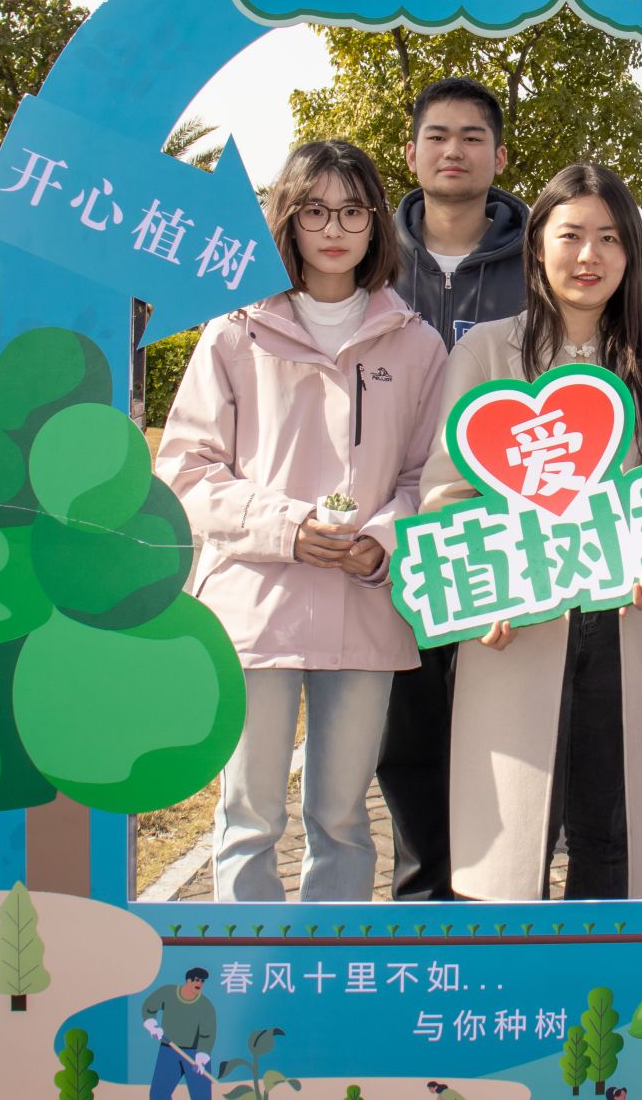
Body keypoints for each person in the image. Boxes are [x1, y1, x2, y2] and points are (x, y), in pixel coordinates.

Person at [156, 139, 447, 903]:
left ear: (376, 222)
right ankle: (249, 966)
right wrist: (286, 527)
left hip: (365, 608)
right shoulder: (236, 332)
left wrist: (381, 542)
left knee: (344, 818)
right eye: (315, 210)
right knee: (248, 815)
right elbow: (186, 469)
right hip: (256, 607)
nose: (334, 228)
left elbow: (431, 477)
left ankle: (330, 967)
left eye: (353, 211)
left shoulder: (417, 343)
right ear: (286, 219)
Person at [420, 163, 642, 901]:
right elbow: (447, 493)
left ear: (631, 252)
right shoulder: (486, 352)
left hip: (626, 622)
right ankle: (513, 975)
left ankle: (596, 974)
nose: (589, 255)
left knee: (615, 834)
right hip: (520, 625)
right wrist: (484, 595)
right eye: (571, 234)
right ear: (538, 244)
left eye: (610, 238)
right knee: (514, 848)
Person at [380, 76, 529, 902]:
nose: (454, 150)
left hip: (504, 547)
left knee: (504, 740)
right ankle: (422, 904)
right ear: (411, 153)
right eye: (438, 135)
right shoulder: (370, 259)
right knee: (405, 742)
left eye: (473, 137)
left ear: (499, 157)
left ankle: (499, 902)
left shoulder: (539, 262)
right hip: (394, 540)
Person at [141, 966, 216, 1100]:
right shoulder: (168, 992)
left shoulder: (205, 1005)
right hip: (169, 1051)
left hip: (195, 1055)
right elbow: (149, 1006)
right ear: (188, 980)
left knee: (202, 1096)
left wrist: (201, 1057)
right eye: (197, 980)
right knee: (158, 1095)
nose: (199, 984)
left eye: (202, 981)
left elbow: (207, 1034)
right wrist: (153, 1026)